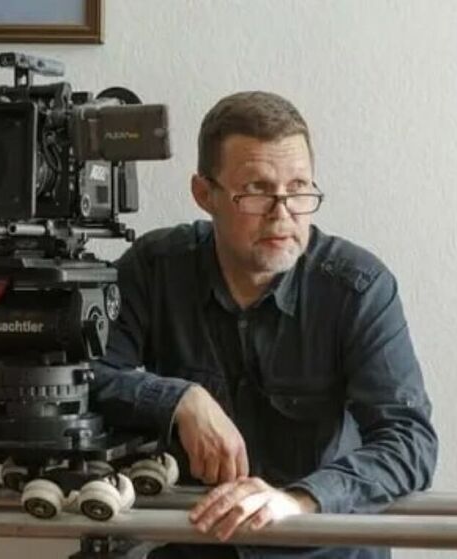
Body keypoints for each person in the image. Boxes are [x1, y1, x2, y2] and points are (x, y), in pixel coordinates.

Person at [90, 91, 438, 559]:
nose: (283, 214)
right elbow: (79, 379)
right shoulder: (155, 269)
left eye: (298, 188)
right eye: (256, 190)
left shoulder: (358, 288)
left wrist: (300, 501)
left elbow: (410, 441)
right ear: (205, 194)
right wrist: (180, 400)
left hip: (323, 549)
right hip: (198, 545)